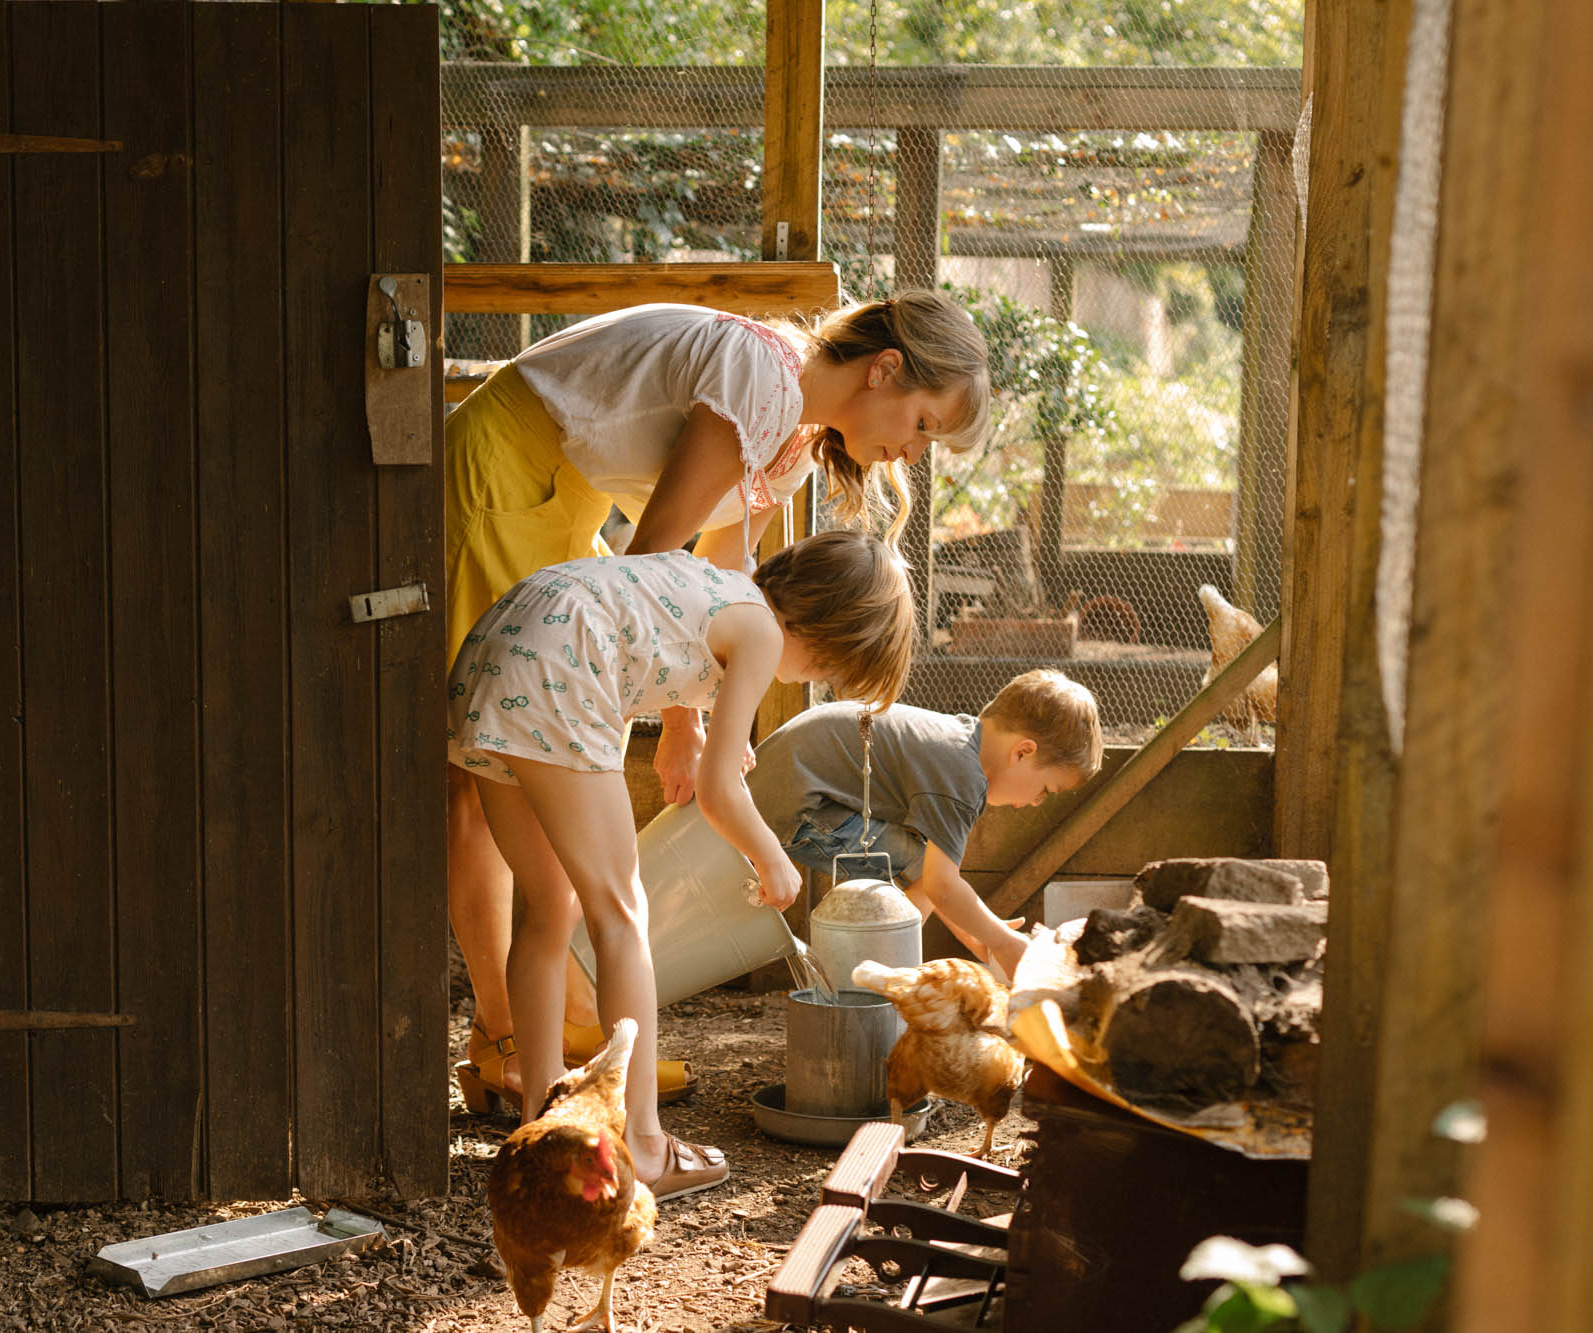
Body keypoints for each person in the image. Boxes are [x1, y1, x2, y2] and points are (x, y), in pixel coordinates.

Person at [446, 292, 993, 1110]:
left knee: (519, 776)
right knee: (486, 778)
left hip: (568, 497)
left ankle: (554, 1026)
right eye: (923, 423)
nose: (914, 452)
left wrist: (691, 719)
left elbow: (717, 564)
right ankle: (513, 1035)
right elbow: (655, 560)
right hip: (510, 467)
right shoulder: (761, 378)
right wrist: (684, 722)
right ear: (885, 370)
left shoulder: (795, 436)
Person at [447, 529, 917, 1199]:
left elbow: (663, 663)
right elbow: (721, 792)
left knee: (548, 908)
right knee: (622, 912)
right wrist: (772, 857)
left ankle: (545, 1135)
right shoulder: (761, 634)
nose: (816, 678)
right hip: (559, 668)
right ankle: (640, 1142)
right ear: (828, 631)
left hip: (498, 650)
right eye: (831, 668)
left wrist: (702, 737)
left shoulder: (723, 586)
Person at [746, 668, 1105, 980]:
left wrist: (977, 932)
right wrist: (1003, 941)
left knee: (918, 861)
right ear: (1023, 752)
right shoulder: (962, 778)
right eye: (1046, 789)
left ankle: (889, 956)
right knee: (906, 877)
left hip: (788, 790)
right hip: (795, 804)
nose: (1036, 801)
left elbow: (934, 878)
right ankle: (880, 964)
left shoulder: (958, 742)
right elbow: (941, 886)